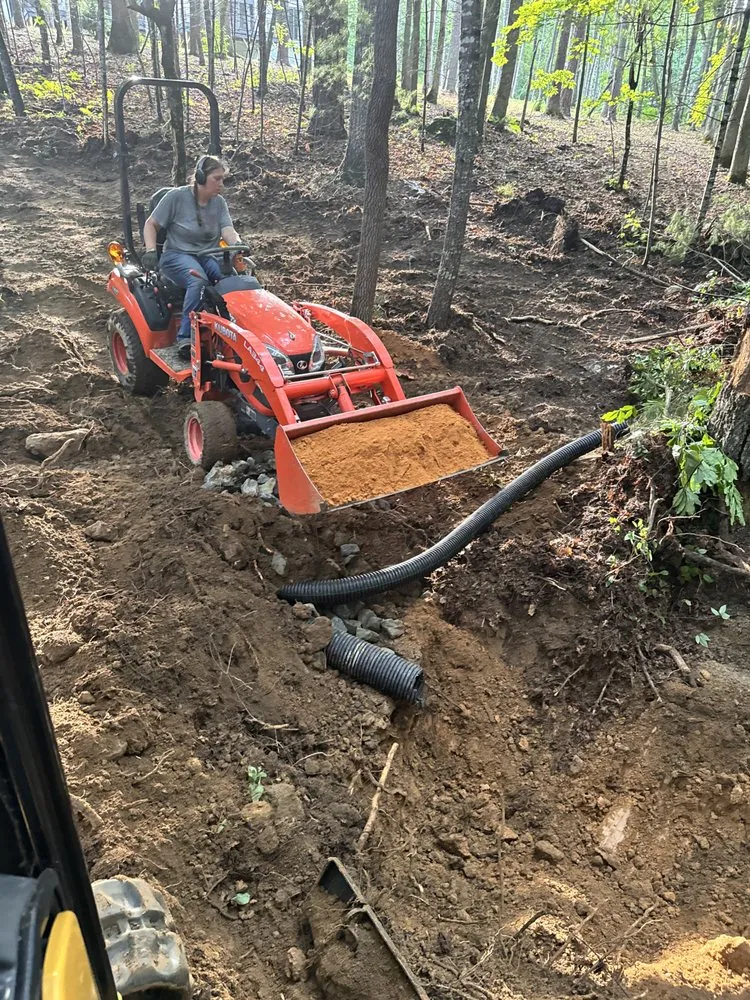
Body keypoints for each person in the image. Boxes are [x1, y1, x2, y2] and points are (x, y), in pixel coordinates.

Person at [141, 155, 243, 360]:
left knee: (231, 280)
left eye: (223, 179)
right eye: (217, 178)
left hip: (208, 255)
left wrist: (237, 244)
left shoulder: (219, 203)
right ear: (201, 177)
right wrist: (151, 250)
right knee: (198, 281)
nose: (221, 184)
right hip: (176, 255)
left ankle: (235, 330)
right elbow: (151, 224)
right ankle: (185, 337)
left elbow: (227, 229)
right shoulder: (176, 198)